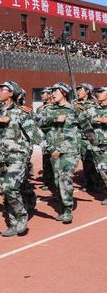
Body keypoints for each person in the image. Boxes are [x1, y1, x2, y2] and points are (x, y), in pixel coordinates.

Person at [0, 81, 41, 237]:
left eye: (3, 90)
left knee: (10, 188)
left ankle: (21, 215)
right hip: (1, 157)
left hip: (17, 156)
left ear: (11, 93)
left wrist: (51, 149)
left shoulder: (21, 112)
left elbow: (35, 134)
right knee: (6, 191)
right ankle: (13, 223)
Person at [39, 83, 96, 223]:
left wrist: (95, 144)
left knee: (65, 179)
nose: (52, 94)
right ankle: (64, 203)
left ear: (64, 93)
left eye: (55, 92)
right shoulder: (48, 110)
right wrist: (53, 119)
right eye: (51, 92)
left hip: (69, 152)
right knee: (58, 180)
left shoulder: (74, 110)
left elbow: (87, 128)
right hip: (53, 152)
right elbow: (37, 124)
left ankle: (67, 209)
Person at [75, 83, 102, 192]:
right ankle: (89, 183)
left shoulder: (95, 103)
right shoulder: (74, 104)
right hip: (80, 136)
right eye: (77, 90)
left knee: (96, 161)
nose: (78, 92)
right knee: (85, 160)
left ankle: (99, 183)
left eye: (80, 89)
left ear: (87, 91)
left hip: (93, 135)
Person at [85, 86, 107, 204]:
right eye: (97, 92)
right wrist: (100, 119)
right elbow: (84, 120)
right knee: (102, 170)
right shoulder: (92, 109)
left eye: (101, 92)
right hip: (97, 145)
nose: (98, 94)